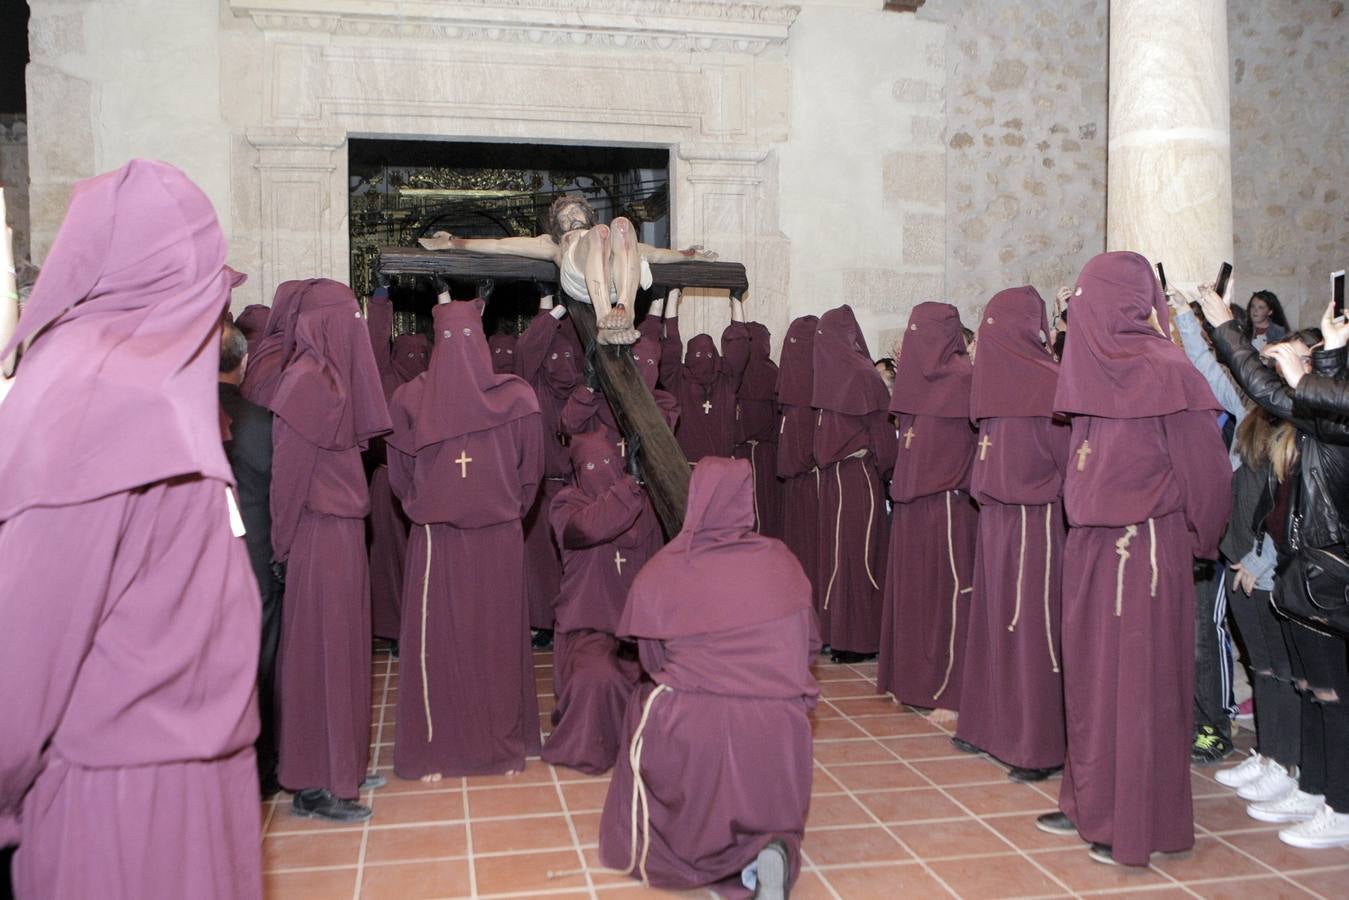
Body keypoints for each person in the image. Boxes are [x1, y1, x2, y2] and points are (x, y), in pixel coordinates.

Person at [0, 159, 263, 898]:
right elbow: (24, 647)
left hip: (197, 769)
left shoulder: (143, 381)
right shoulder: (92, 398)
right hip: (118, 801)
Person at [1036, 251, 1231, 867]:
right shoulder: (1091, 363)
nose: (1079, 307)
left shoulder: (1167, 368)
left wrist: (1198, 545)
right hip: (1091, 548)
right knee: (1093, 689)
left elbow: (1206, 476)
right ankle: (1091, 802)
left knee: (1140, 692)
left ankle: (1136, 820)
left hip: (1143, 551)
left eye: (1088, 295)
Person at [598, 458, 819, 900]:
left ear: (695, 498)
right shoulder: (783, 562)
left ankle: (698, 854)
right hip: (780, 730)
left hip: (696, 727)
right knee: (768, 794)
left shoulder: (667, 568)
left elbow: (650, 659)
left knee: (648, 703)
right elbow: (809, 646)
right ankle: (766, 852)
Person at [1203, 292, 1349, 849]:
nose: (1285, 369)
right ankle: (1313, 786)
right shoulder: (1317, 419)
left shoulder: (1331, 423)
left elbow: (1272, 390)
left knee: (1331, 695)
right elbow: (1266, 391)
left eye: (1301, 361)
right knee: (1312, 688)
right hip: (1299, 573)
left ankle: (1338, 801)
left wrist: (1223, 327)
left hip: (1324, 573)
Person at [387, 297, 544, 780]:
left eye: (463, 338)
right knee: (450, 647)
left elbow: (401, 478)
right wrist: (496, 509)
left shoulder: (513, 398)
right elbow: (529, 476)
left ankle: (486, 747)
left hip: (469, 540)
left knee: (482, 645)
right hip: (456, 542)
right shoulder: (414, 400)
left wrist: (434, 505)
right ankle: (448, 748)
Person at [269, 278, 393, 822]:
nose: (356, 330)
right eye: (347, 319)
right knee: (318, 659)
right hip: (318, 536)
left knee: (343, 655)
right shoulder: (304, 384)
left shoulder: (333, 380)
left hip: (343, 534)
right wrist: (281, 548)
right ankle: (313, 781)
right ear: (322, 325)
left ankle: (342, 760)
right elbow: (286, 482)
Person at [953, 287, 1070, 781]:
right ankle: (989, 726)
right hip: (1000, 514)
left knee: (1031, 629)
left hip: (1036, 519)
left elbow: (1068, 459)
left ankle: (1036, 742)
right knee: (996, 622)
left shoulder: (1048, 380)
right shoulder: (1011, 376)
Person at [419, 193, 714, 344]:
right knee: (599, 233)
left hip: (615, 281)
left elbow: (658, 256)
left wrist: (690, 255)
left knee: (623, 226)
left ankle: (625, 310)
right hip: (579, 278)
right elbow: (500, 245)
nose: (570, 217)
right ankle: (604, 323)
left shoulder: (604, 233)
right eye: (563, 217)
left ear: (586, 213)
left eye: (575, 212)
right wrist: (453, 243)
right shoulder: (555, 244)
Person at [879, 302, 978, 719]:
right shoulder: (916, 381)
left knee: (948, 600)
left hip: (948, 507)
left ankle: (950, 693)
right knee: (917, 599)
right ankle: (914, 681)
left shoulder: (966, 378)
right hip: (912, 505)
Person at [543, 431, 662, 774]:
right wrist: (630, 485)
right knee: (596, 679)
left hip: (638, 634)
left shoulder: (643, 504)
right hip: (588, 632)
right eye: (592, 465)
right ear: (578, 473)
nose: (602, 470)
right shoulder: (566, 507)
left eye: (610, 463)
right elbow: (591, 528)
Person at [219, 320, 285, 798]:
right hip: (256, 557)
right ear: (244, 363)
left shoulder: (175, 411)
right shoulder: (262, 421)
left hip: (200, 561)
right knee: (261, 660)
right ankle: (260, 767)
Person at [812, 304, 896, 664]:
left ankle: (860, 639)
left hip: (857, 477)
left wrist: (887, 473)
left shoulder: (863, 375)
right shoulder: (835, 373)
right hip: (837, 478)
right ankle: (835, 632)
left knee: (858, 556)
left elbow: (881, 434)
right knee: (836, 557)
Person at [659, 289, 751, 464]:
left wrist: (672, 295)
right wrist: (736, 298)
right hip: (719, 470)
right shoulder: (726, 379)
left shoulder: (676, 379)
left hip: (685, 470)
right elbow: (740, 345)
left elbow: (671, 343)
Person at [366, 285, 409, 649]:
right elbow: (374, 350)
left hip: (428, 482)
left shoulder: (438, 382)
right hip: (387, 480)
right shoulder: (386, 378)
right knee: (390, 559)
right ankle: (395, 628)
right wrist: (380, 300)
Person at [776, 315, 823, 621]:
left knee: (810, 554)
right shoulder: (797, 397)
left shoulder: (815, 395)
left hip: (811, 482)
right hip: (796, 483)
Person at [734, 321, 783, 537]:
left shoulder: (733, 372)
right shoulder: (774, 373)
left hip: (740, 454)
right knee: (765, 506)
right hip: (766, 455)